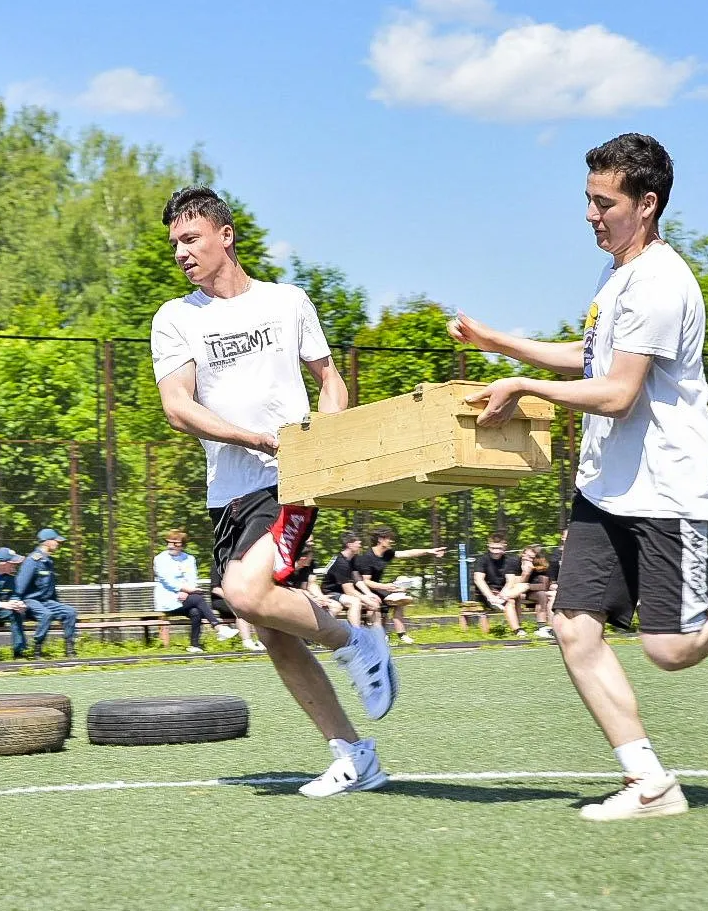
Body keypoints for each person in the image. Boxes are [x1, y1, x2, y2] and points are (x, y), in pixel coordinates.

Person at [448, 133, 708, 820]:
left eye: (605, 203)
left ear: (646, 204)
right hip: (606, 487)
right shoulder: (618, 274)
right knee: (573, 627)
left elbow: (618, 391)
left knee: (670, 648)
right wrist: (500, 342)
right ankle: (649, 782)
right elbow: (591, 354)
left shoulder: (660, 280)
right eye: (588, 201)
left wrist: (523, 387)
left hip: (667, 487)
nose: (591, 215)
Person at [151, 185, 397, 798]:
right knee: (270, 629)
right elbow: (178, 407)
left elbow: (329, 380)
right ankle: (353, 755)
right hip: (229, 492)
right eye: (174, 244)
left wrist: (329, 439)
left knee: (243, 591)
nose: (181, 253)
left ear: (224, 235)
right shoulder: (176, 318)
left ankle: (357, 638)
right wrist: (253, 438)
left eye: (191, 239)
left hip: (289, 481)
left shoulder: (287, 302)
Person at [354, 525, 445, 645]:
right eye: (388, 538)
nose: (391, 540)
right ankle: (378, 635)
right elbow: (366, 582)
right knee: (378, 603)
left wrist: (429, 551)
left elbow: (407, 553)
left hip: (377, 588)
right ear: (380, 539)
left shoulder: (386, 554)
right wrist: (386, 586)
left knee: (400, 599)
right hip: (364, 590)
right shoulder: (367, 558)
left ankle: (402, 635)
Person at [152, 528, 238, 652]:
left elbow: (192, 578)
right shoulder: (160, 559)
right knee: (197, 598)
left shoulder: (189, 559)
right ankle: (218, 627)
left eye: (175, 543)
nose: (171, 546)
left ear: (182, 545)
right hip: (167, 599)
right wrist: (183, 589)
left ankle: (195, 645)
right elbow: (167, 580)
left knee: (195, 612)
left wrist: (186, 591)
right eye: (169, 542)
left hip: (186, 599)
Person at [14, 528, 80, 658]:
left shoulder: (48, 561)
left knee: (70, 612)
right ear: (47, 542)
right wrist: (16, 603)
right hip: (30, 601)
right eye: (56, 541)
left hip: (46, 602)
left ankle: (70, 649)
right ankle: (37, 648)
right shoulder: (32, 561)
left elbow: (50, 588)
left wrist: (57, 604)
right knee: (46, 614)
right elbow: (20, 585)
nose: (58, 544)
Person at [323, 531, 382, 625]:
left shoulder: (352, 559)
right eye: (358, 543)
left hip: (342, 592)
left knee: (373, 601)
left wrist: (370, 594)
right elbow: (349, 590)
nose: (360, 546)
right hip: (330, 593)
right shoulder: (341, 563)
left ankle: (377, 634)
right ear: (350, 545)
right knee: (355, 602)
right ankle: (356, 634)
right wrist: (364, 598)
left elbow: (357, 579)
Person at [501, 545, 556, 641]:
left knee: (542, 594)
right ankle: (518, 629)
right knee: (517, 591)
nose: (527, 558)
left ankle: (542, 627)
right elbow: (513, 583)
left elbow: (544, 585)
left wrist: (528, 586)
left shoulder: (541, 564)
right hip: (517, 590)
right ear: (522, 554)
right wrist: (525, 573)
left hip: (533, 591)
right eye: (525, 555)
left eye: (531, 557)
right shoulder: (515, 562)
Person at [470, 533, 519, 634]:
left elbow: (510, 581)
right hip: (485, 594)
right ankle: (517, 630)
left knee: (514, 598)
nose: (495, 551)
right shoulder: (482, 560)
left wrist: (503, 594)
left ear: (504, 547)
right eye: (493, 548)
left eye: (498, 548)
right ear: (488, 546)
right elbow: (478, 579)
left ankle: (517, 628)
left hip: (502, 593)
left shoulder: (510, 560)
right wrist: (490, 597)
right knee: (510, 601)